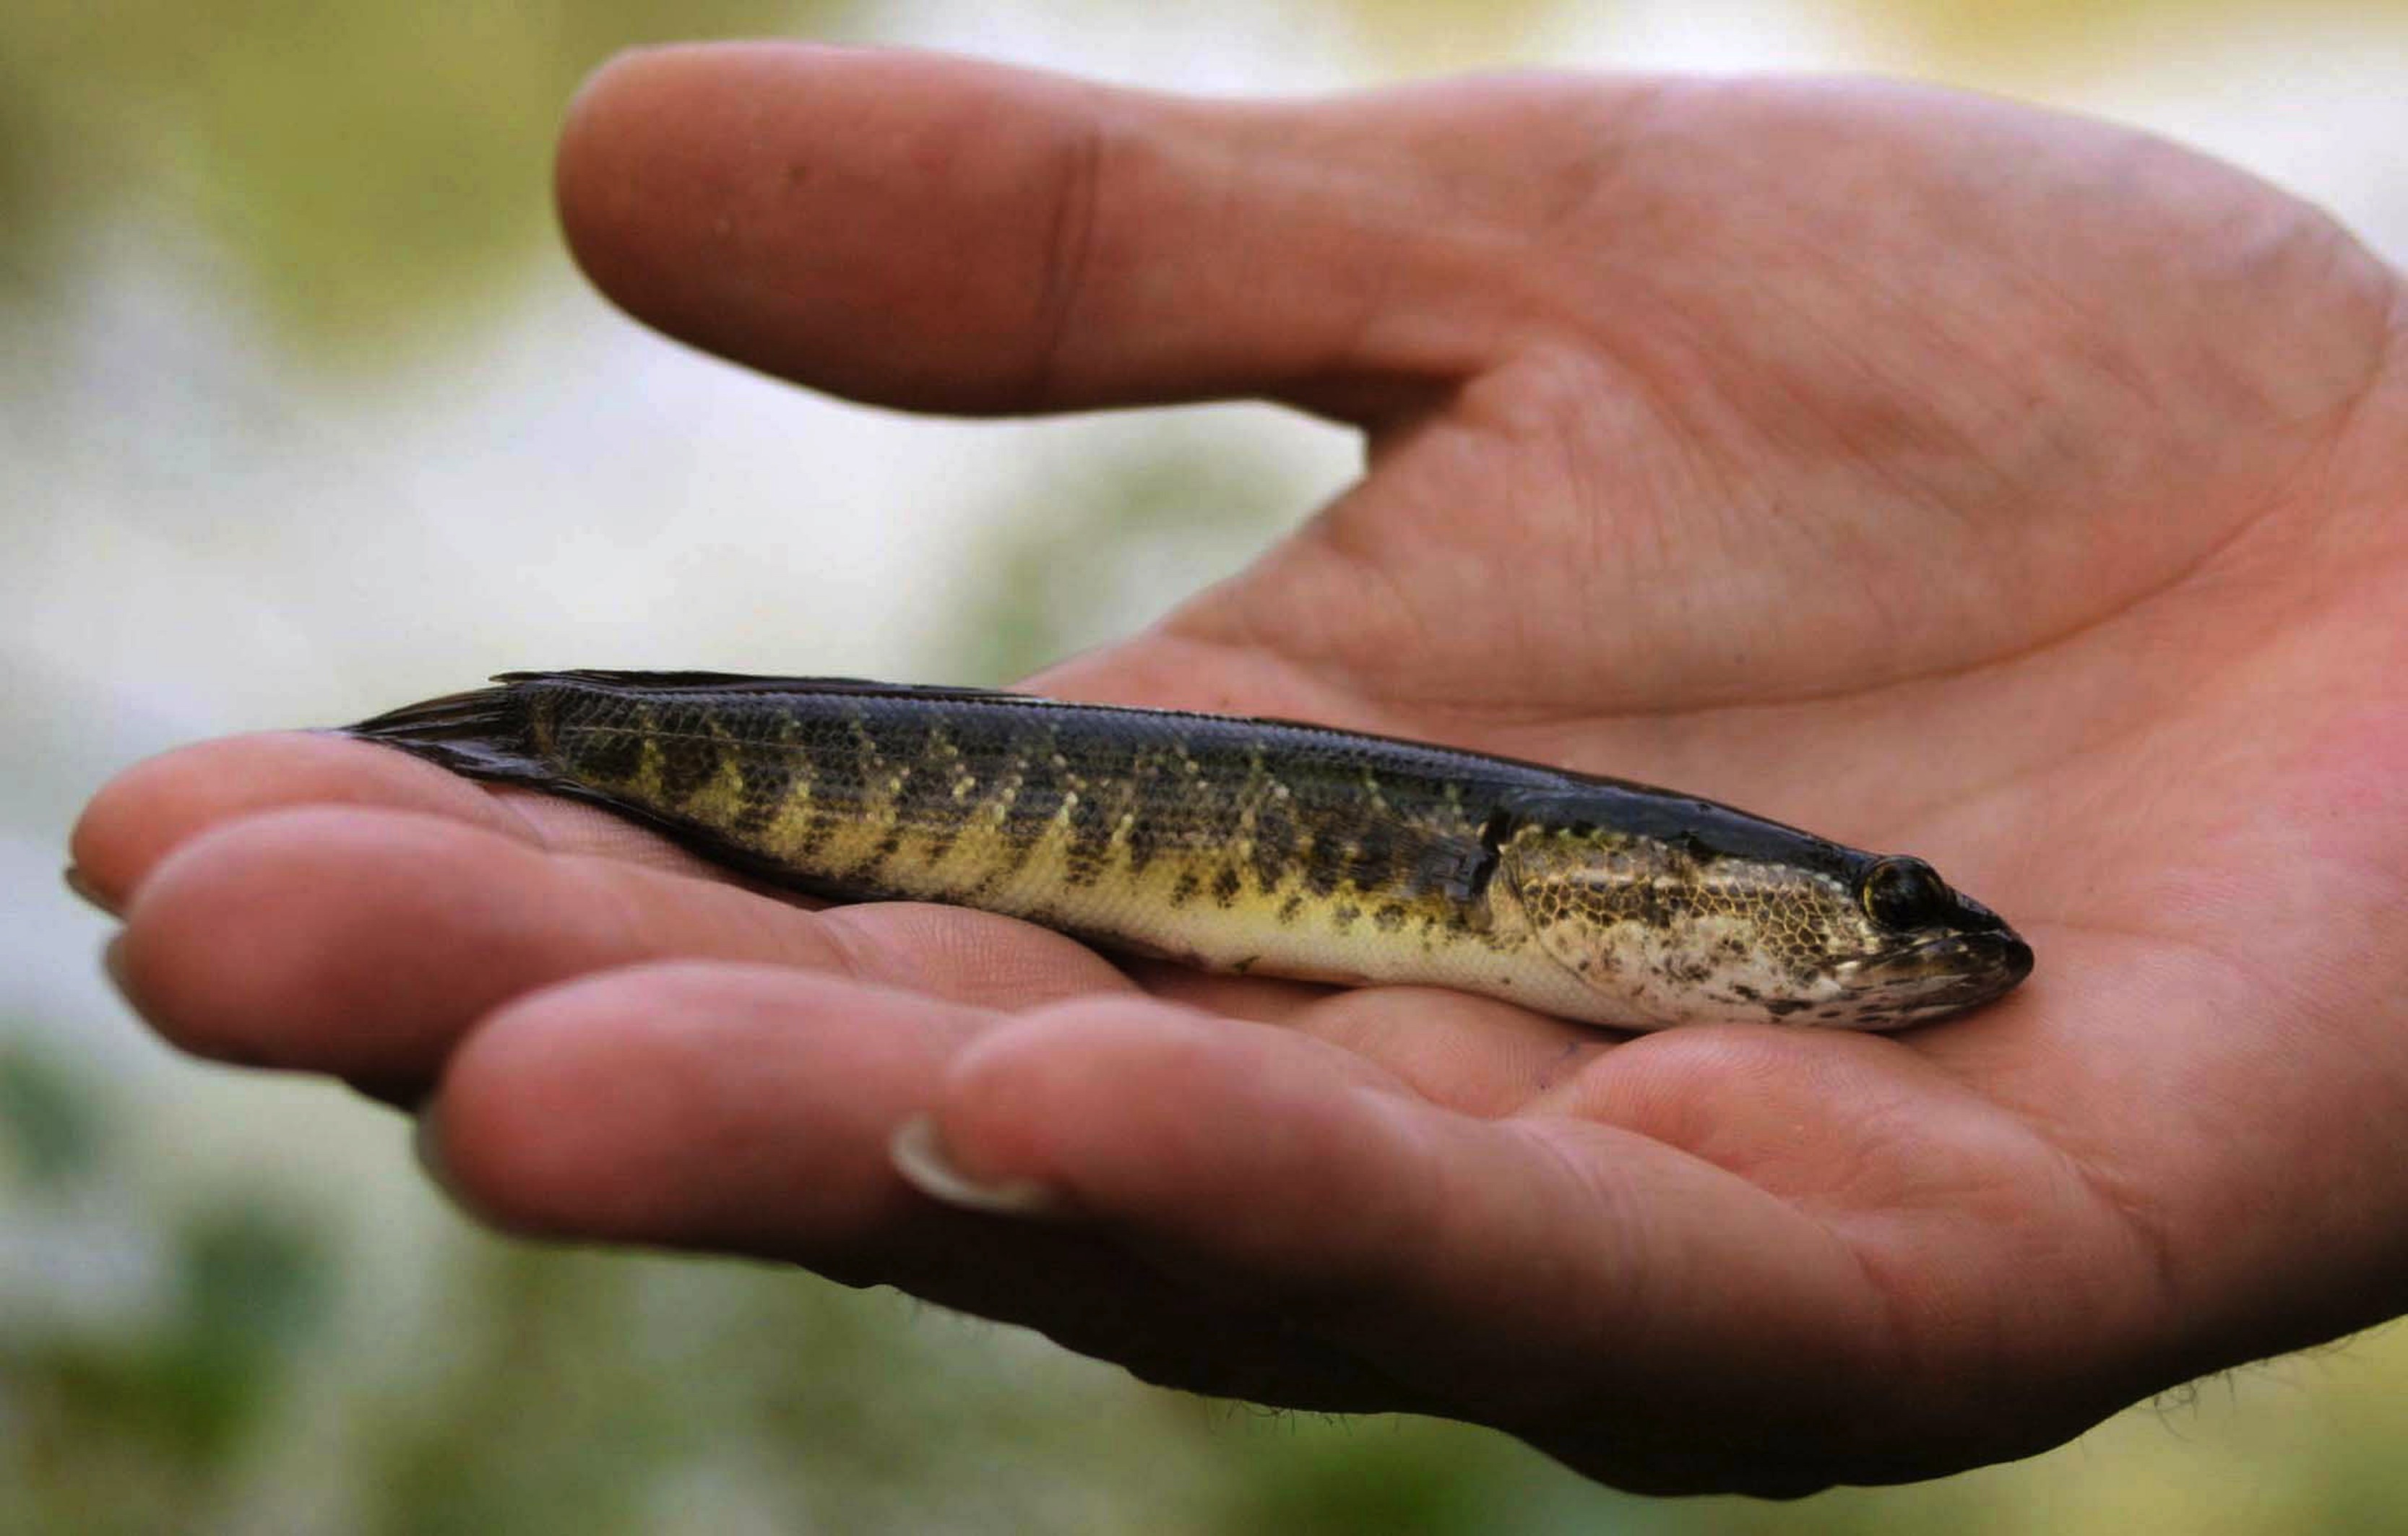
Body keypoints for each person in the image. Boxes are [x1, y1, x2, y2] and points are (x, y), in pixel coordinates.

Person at [67, 43, 2406, 1497]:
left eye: (1890, 909)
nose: (1915, 942)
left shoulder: (1580, 903)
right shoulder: (1575, 881)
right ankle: (516, 752)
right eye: (1875, 902)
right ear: (1623, 885)